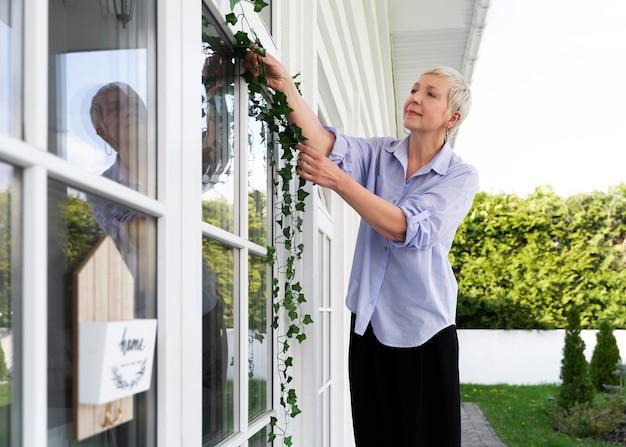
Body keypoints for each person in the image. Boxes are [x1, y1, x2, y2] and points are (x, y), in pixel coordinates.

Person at [244, 51, 478, 447]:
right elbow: (322, 142)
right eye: (414, 89)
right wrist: (285, 85)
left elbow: (405, 229)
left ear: (452, 118)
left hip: (425, 331)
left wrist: (340, 182)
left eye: (430, 94)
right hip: (368, 326)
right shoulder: (377, 154)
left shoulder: (460, 177)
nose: (415, 97)